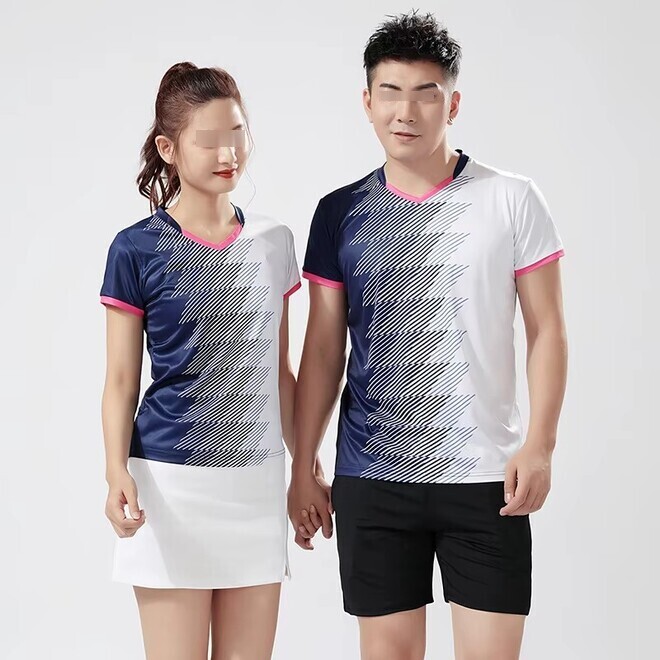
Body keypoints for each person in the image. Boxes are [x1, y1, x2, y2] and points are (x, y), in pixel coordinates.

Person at [288, 12, 568, 660]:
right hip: (372, 479)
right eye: (389, 92)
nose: (405, 111)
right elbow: (324, 350)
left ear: (453, 104)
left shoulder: (511, 198)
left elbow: (548, 329)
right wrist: (303, 466)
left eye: (425, 93)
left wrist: (541, 444)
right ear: (367, 101)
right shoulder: (338, 212)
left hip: (487, 480)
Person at [100, 61, 308, 660]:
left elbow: (279, 373)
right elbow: (121, 380)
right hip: (169, 489)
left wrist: (305, 466)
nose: (228, 153)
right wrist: (114, 472)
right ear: (168, 149)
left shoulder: (274, 241)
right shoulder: (135, 248)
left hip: (256, 488)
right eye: (209, 140)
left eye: (237, 134)